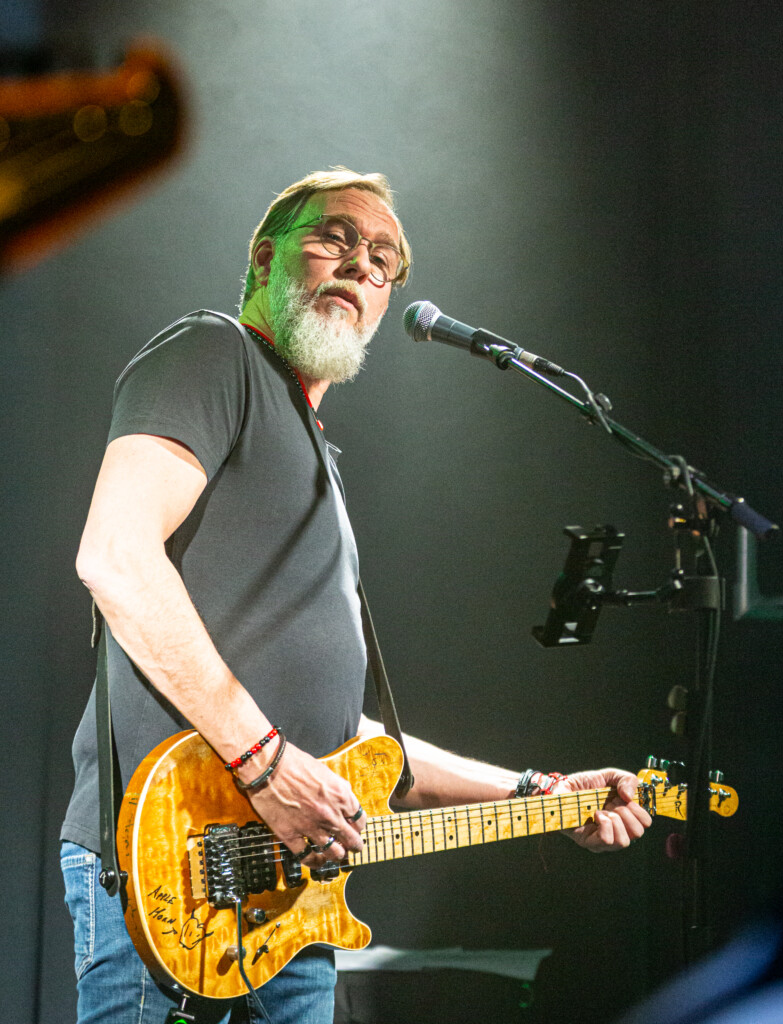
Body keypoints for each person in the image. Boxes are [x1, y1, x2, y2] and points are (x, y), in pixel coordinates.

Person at [60, 167, 652, 1024]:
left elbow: (350, 747)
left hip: (294, 894)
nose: (360, 265)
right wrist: (265, 762)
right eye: (333, 238)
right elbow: (115, 556)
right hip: (168, 866)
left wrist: (539, 794)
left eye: (383, 259)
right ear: (265, 259)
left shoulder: (318, 458)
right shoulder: (213, 352)